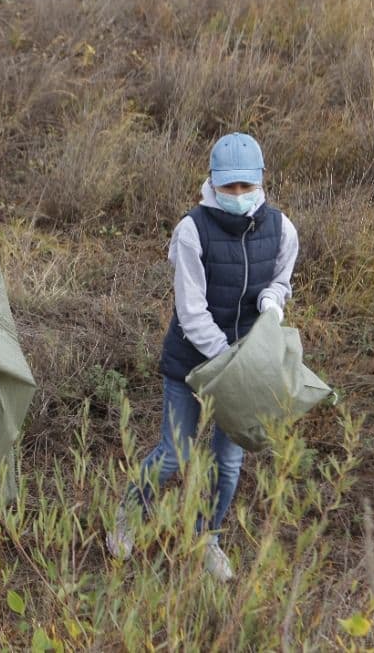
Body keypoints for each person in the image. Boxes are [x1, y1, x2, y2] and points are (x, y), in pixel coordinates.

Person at [107, 132, 299, 583]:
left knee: (228, 462)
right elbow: (190, 312)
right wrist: (227, 360)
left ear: (260, 182)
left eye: (245, 187)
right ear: (212, 182)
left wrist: (272, 300)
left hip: (246, 367)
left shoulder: (282, 229)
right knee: (173, 454)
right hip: (193, 364)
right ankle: (127, 517)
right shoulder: (192, 230)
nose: (237, 195)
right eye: (228, 186)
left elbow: (281, 281)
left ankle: (206, 538)